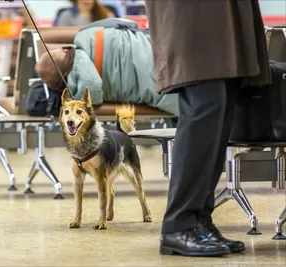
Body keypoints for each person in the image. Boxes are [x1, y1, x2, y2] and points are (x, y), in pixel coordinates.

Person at [145, 0, 271, 257]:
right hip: (193, 13)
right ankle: (178, 225)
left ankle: (199, 219)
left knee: (221, 104)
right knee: (205, 100)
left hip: (221, 13)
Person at [35, 18, 178, 115]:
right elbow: (128, 24)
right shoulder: (86, 34)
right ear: (65, 50)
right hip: (168, 48)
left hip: (168, 92)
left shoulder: (86, 95)